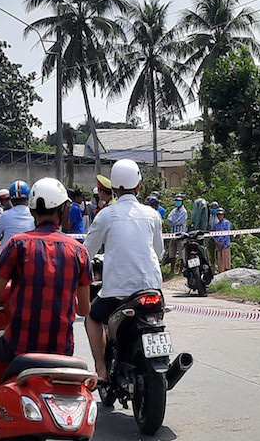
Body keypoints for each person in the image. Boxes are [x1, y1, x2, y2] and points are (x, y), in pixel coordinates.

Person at [0, 177, 92, 434]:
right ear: (63, 209)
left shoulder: (17, 244)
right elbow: (84, 310)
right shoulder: (79, 251)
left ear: (33, 211)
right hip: (62, 351)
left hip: (18, 346)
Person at [84, 159, 164, 380]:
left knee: (92, 316)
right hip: (152, 290)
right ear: (139, 186)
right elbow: (159, 252)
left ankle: (101, 368)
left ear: (113, 189)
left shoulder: (106, 215)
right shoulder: (152, 214)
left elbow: (85, 253)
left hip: (117, 293)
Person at [0, 181, 35, 255]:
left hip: (7, 259)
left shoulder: (5, 215)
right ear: (28, 198)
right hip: (29, 257)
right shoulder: (34, 214)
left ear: (11, 199)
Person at [166, 194, 188, 269]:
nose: (177, 202)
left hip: (180, 235)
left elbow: (178, 222)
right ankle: (172, 270)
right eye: (176, 200)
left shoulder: (184, 211)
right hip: (173, 235)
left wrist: (173, 221)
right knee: (172, 252)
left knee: (181, 253)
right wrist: (173, 222)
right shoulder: (174, 210)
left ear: (182, 202)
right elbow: (168, 219)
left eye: (178, 201)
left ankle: (181, 270)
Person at [214, 208, 232, 273]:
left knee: (226, 260)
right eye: (218, 215)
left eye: (221, 214)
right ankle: (220, 272)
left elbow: (227, 234)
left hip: (225, 244)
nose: (220, 216)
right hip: (218, 245)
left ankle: (227, 270)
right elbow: (215, 234)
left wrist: (222, 242)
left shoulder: (227, 223)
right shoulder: (216, 224)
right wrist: (217, 242)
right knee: (220, 260)